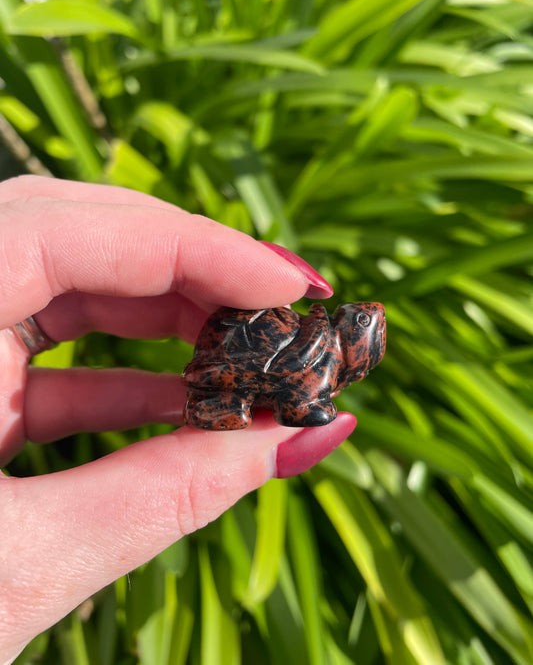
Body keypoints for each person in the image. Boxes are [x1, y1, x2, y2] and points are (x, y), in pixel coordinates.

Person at [0, 175, 356, 663]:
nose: (363, 320)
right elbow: (298, 403)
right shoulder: (318, 362)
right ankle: (216, 401)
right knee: (222, 404)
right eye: (358, 321)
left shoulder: (322, 361)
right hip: (230, 367)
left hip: (238, 358)